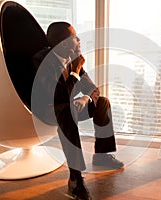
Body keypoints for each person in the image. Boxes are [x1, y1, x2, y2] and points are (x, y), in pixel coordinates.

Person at [32, 22, 124, 200]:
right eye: (75, 37)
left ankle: (102, 156)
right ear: (64, 43)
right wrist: (75, 71)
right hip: (45, 111)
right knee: (66, 111)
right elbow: (58, 98)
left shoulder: (72, 57)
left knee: (102, 102)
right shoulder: (42, 61)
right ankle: (75, 179)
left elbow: (93, 89)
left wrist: (86, 98)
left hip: (64, 105)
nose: (79, 39)